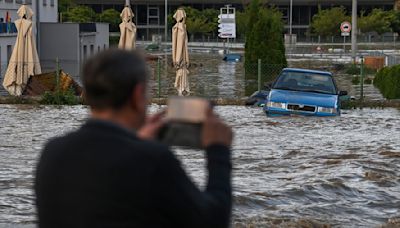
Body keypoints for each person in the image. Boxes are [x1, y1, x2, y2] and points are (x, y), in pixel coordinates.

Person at [35, 49, 233, 228]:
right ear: (137, 96)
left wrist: (138, 140)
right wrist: (218, 150)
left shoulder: (52, 152)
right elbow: (212, 220)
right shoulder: (153, 160)